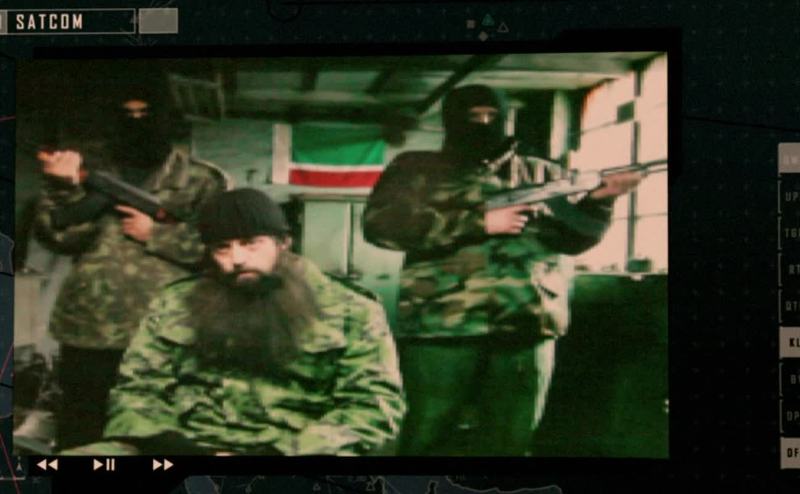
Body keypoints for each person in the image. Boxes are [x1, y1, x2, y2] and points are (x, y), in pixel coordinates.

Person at [362, 84, 641, 456]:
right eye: (472, 116)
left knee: (511, 440)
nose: (483, 123)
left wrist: (600, 202)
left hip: (526, 324)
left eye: (492, 116)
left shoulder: (543, 173)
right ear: (451, 121)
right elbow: (380, 227)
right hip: (441, 325)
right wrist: (479, 222)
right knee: (426, 434)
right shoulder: (414, 169)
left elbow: (573, 239)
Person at [60, 188, 405, 456]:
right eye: (222, 248)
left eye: (251, 244)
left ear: (283, 243)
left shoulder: (351, 309)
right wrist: (175, 447)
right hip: (182, 446)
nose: (236, 258)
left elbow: (373, 407)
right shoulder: (176, 301)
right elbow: (138, 388)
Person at [29, 76, 231, 451]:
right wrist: (65, 189)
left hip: (167, 331)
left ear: (168, 118)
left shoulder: (201, 180)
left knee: (159, 433)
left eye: (146, 113)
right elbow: (57, 237)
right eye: (127, 114)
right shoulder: (86, 173)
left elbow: (225, 252)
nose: (137, 121)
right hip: (90, 328)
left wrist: (156, 234)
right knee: (83, 429)